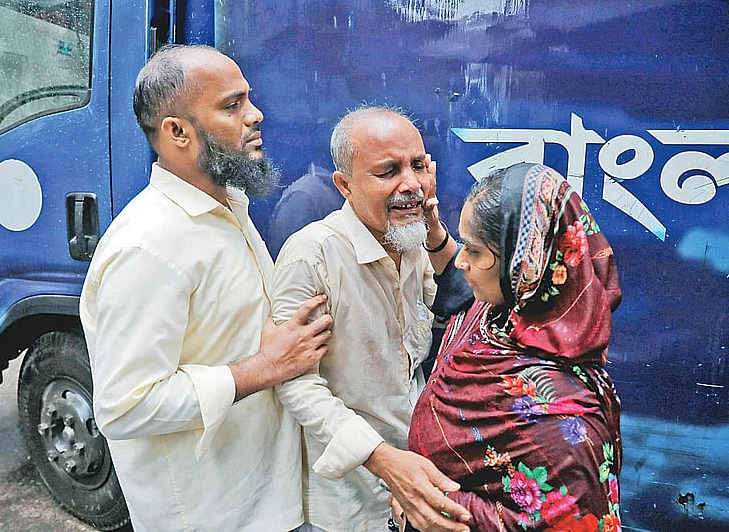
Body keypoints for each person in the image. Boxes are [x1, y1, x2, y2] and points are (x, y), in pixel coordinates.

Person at [79, 45, 333, 532]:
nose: (256, 116)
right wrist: (265, 368)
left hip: (268, 497)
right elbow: (125, 406)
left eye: (248, 100)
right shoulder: (147, 248)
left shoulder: (229, 204)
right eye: (231, 106)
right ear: (177, 132)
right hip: (210, 515)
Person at [271, 106, 472, 532]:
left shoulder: (413, 239)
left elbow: (463, 305)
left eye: (419, 166)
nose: (412, 185)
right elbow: (295, 382)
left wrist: (434, 231)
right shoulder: (313, 255)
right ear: (344, 184)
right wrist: (383, 459)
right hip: (346, 500)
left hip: (417, 477)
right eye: (388, 172)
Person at [401, 163, 622, 531]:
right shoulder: (497, 314)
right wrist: (434, 233)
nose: (462, 261)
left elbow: (570, 523)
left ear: (526, 264)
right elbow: (459, 290)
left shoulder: (565, 425)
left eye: (473, 249)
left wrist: (429, 501)